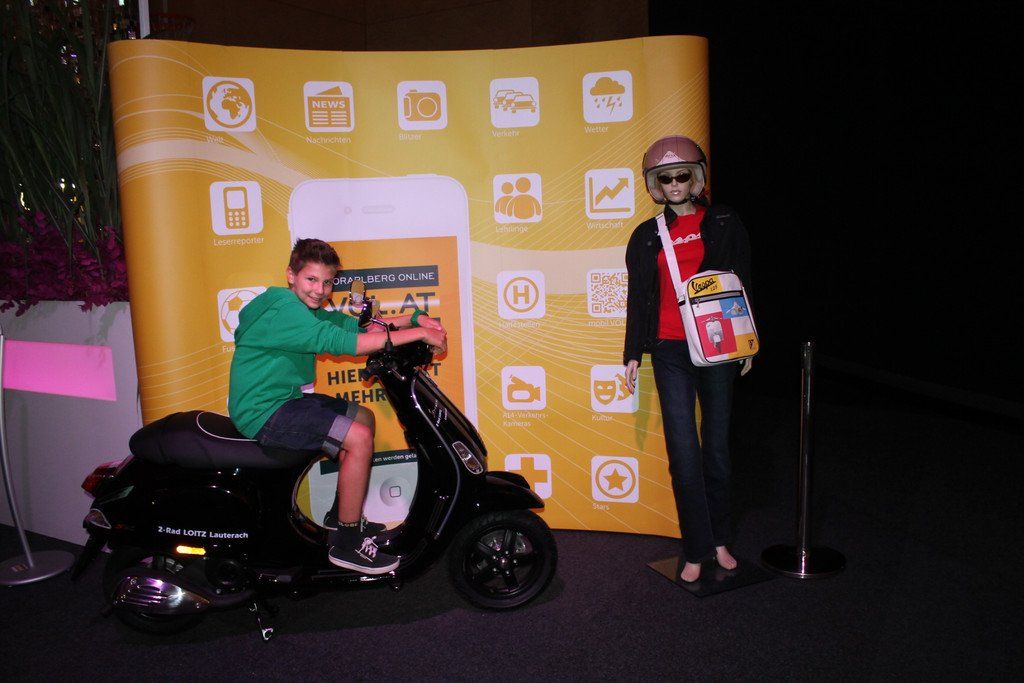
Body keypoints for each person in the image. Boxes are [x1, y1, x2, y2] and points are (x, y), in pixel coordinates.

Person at [228, 238, 447, 575]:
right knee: (358, 437)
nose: (319, 290)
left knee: (363, 417)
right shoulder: (284, 309)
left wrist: (414, 319)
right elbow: (344, 342)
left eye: (327, 282)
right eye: (311, 279)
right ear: (291, 275)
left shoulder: (299, 306)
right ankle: (346, 544)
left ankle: (339, 515)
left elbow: (350, 326)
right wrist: (417, 334)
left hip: (284, 400)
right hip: (264, 412)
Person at [622, 135, 752, 583]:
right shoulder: (646, 235)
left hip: (717, 345)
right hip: (670, 348)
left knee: (716, 449)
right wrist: (632, 353)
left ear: (696, 177)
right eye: (665, 178)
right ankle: (696, 547)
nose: (674, 183)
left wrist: (746, 340)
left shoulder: (723, 220)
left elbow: (741, 280)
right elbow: (638, 297)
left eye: (682, 175)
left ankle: (720, 540)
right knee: (683, 452)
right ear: (655, 184)